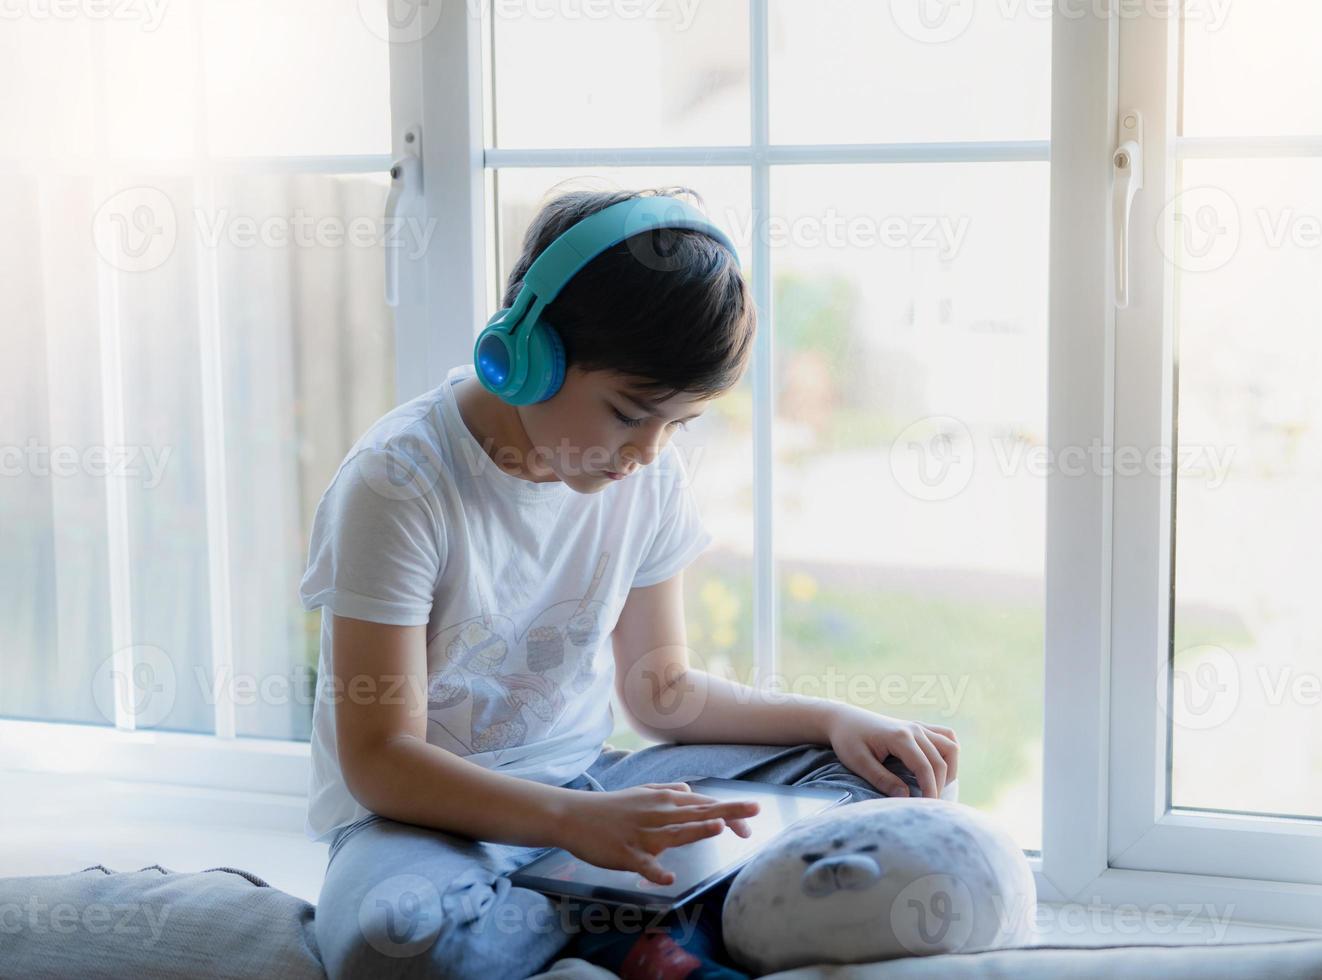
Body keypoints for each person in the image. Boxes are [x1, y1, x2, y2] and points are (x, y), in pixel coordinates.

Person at [299, 185, 961, 979]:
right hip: (418, 818)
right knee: (392, 943)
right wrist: (573, 824)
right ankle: (641, 922)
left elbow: (662, 693)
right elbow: (380, 760)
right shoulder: (398, 483)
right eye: (627, 412)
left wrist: (834, 719)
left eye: (675, 423)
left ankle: (615, 917)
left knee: (869, 778)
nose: (647, 451)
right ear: (525, 356)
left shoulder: (647, 475)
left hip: (591, 783)